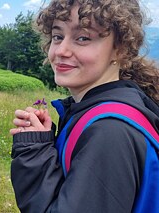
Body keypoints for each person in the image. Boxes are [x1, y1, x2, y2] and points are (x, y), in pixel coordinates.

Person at [10, 0, 159, 212]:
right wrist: (41, 144)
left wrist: (33, 152)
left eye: (82, 38)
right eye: (57, 36)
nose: (61, 50)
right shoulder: (93, 112)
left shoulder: (110, 132)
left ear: (120, 50)